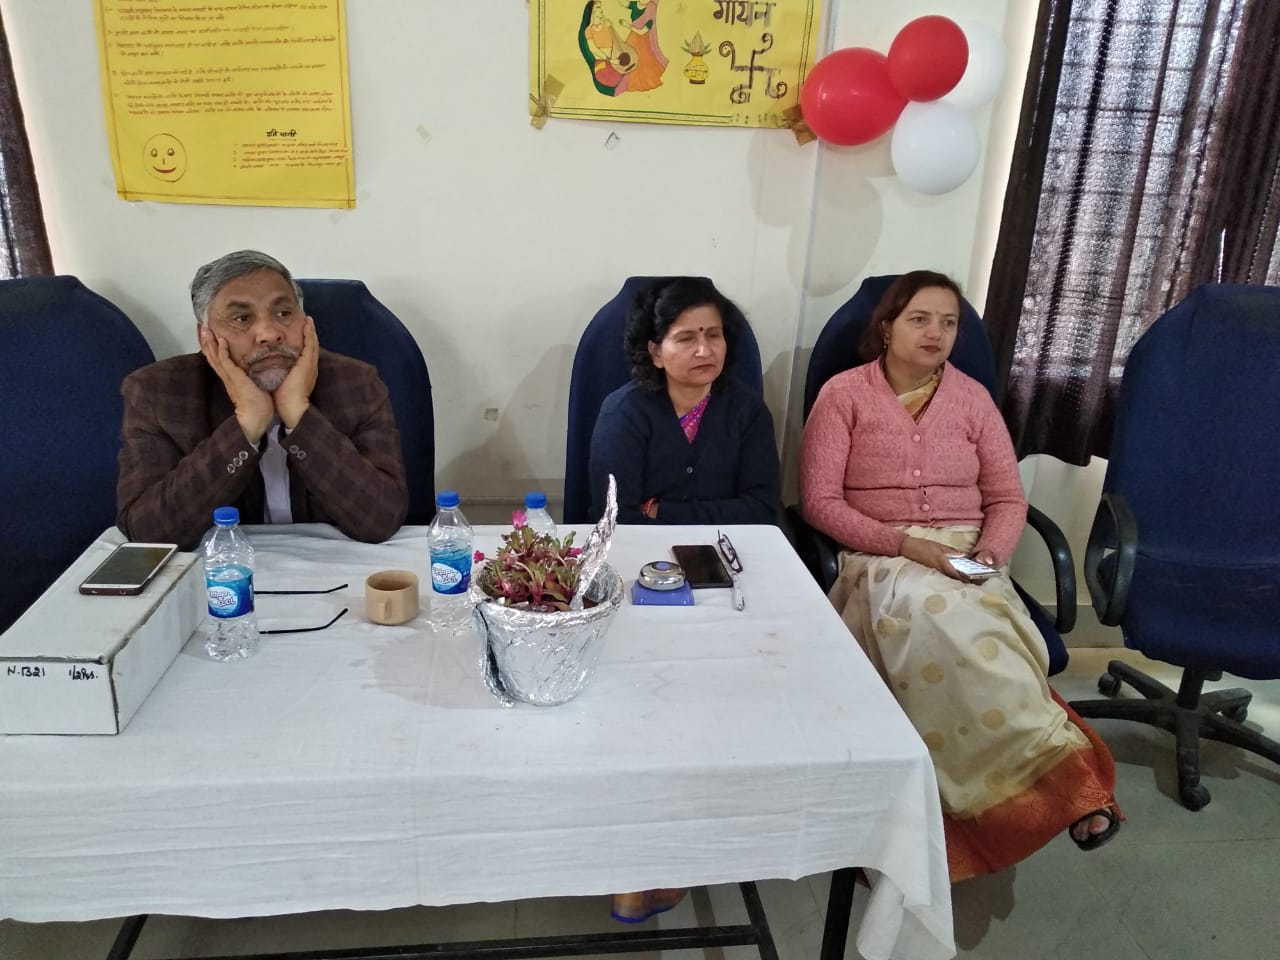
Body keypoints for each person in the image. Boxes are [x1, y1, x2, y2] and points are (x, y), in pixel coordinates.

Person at [799, 270, 1121, 882]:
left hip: (969, 554)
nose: (937, 333)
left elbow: (1006, 498)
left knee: (977, 622)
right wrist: (909, 546)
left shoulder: (972, 398)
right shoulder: (844, 395)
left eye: (948, 323)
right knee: (933, 616)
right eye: (920, 319)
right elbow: (819, 503)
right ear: (887, 327)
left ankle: (1049, 778)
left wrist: (991, 555)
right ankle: (1056, 774)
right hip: (883, 556)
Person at [116, 250, 409, 550]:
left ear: (306, 323)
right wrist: (246, 424)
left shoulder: (356, 383)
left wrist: (299, 414)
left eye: (284, 313)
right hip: (224, 571)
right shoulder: (157, 393)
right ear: (206, 337)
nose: (269, 334)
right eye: (242, 318)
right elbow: (149, 535)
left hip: (336, 568)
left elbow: (382, 520)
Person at [588, 276, 780, 526]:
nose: (704, 351)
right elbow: (615, 518)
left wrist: (661, 511)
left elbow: (762, 510)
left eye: (714, 335)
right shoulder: (623, 414)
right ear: (656, 352)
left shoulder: (749, 410)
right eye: (686, 338)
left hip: (729, 546)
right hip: (641, 547)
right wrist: (723, 511)